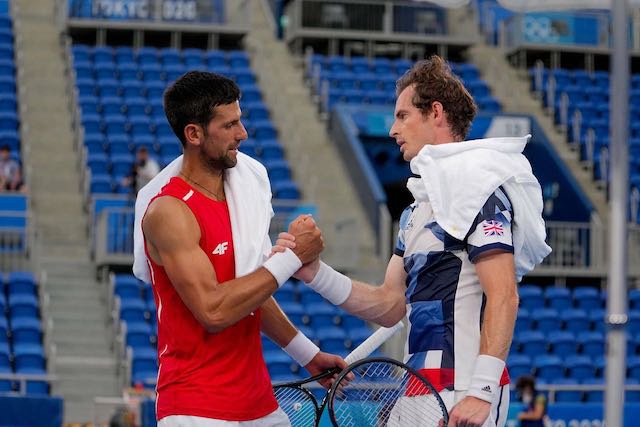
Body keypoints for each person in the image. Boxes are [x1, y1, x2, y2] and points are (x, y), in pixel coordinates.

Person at [276, 55, 551, 427]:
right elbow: (389, 303)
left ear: (435, 113)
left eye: (403, 116)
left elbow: (504, 295)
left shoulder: (480, 189)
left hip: (465, 391)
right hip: (417, 389)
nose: (392, 129)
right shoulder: (415, 211)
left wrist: (481, 393)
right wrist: (314, 273)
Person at [134, 71, 347, 426]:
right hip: (194, 408)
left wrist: (307, 354)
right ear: (194, 134)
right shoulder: (169, 212)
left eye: (240, 121)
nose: (242, 134)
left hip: (258, 403)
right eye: (229, 125)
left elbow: (250, 292)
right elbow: (214, 310)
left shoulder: (242, 195)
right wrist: (291, 256)